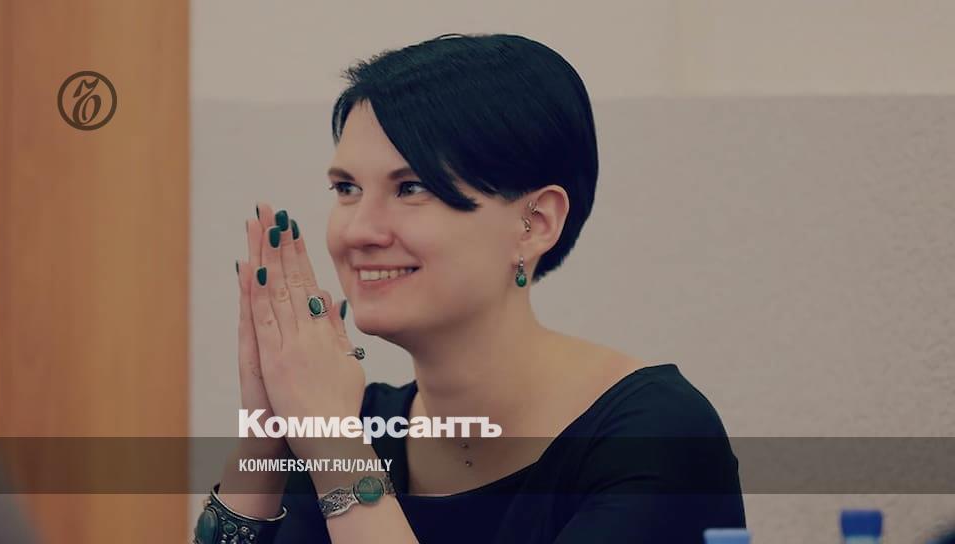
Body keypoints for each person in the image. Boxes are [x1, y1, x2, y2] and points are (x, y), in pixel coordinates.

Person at [193, 32, 744, 544]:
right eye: (347, 188)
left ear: (534, 223)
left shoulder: (658, 434)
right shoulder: (353, 422)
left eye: (412, 187)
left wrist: (337, 451)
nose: (359, 231)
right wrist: (266, 434)